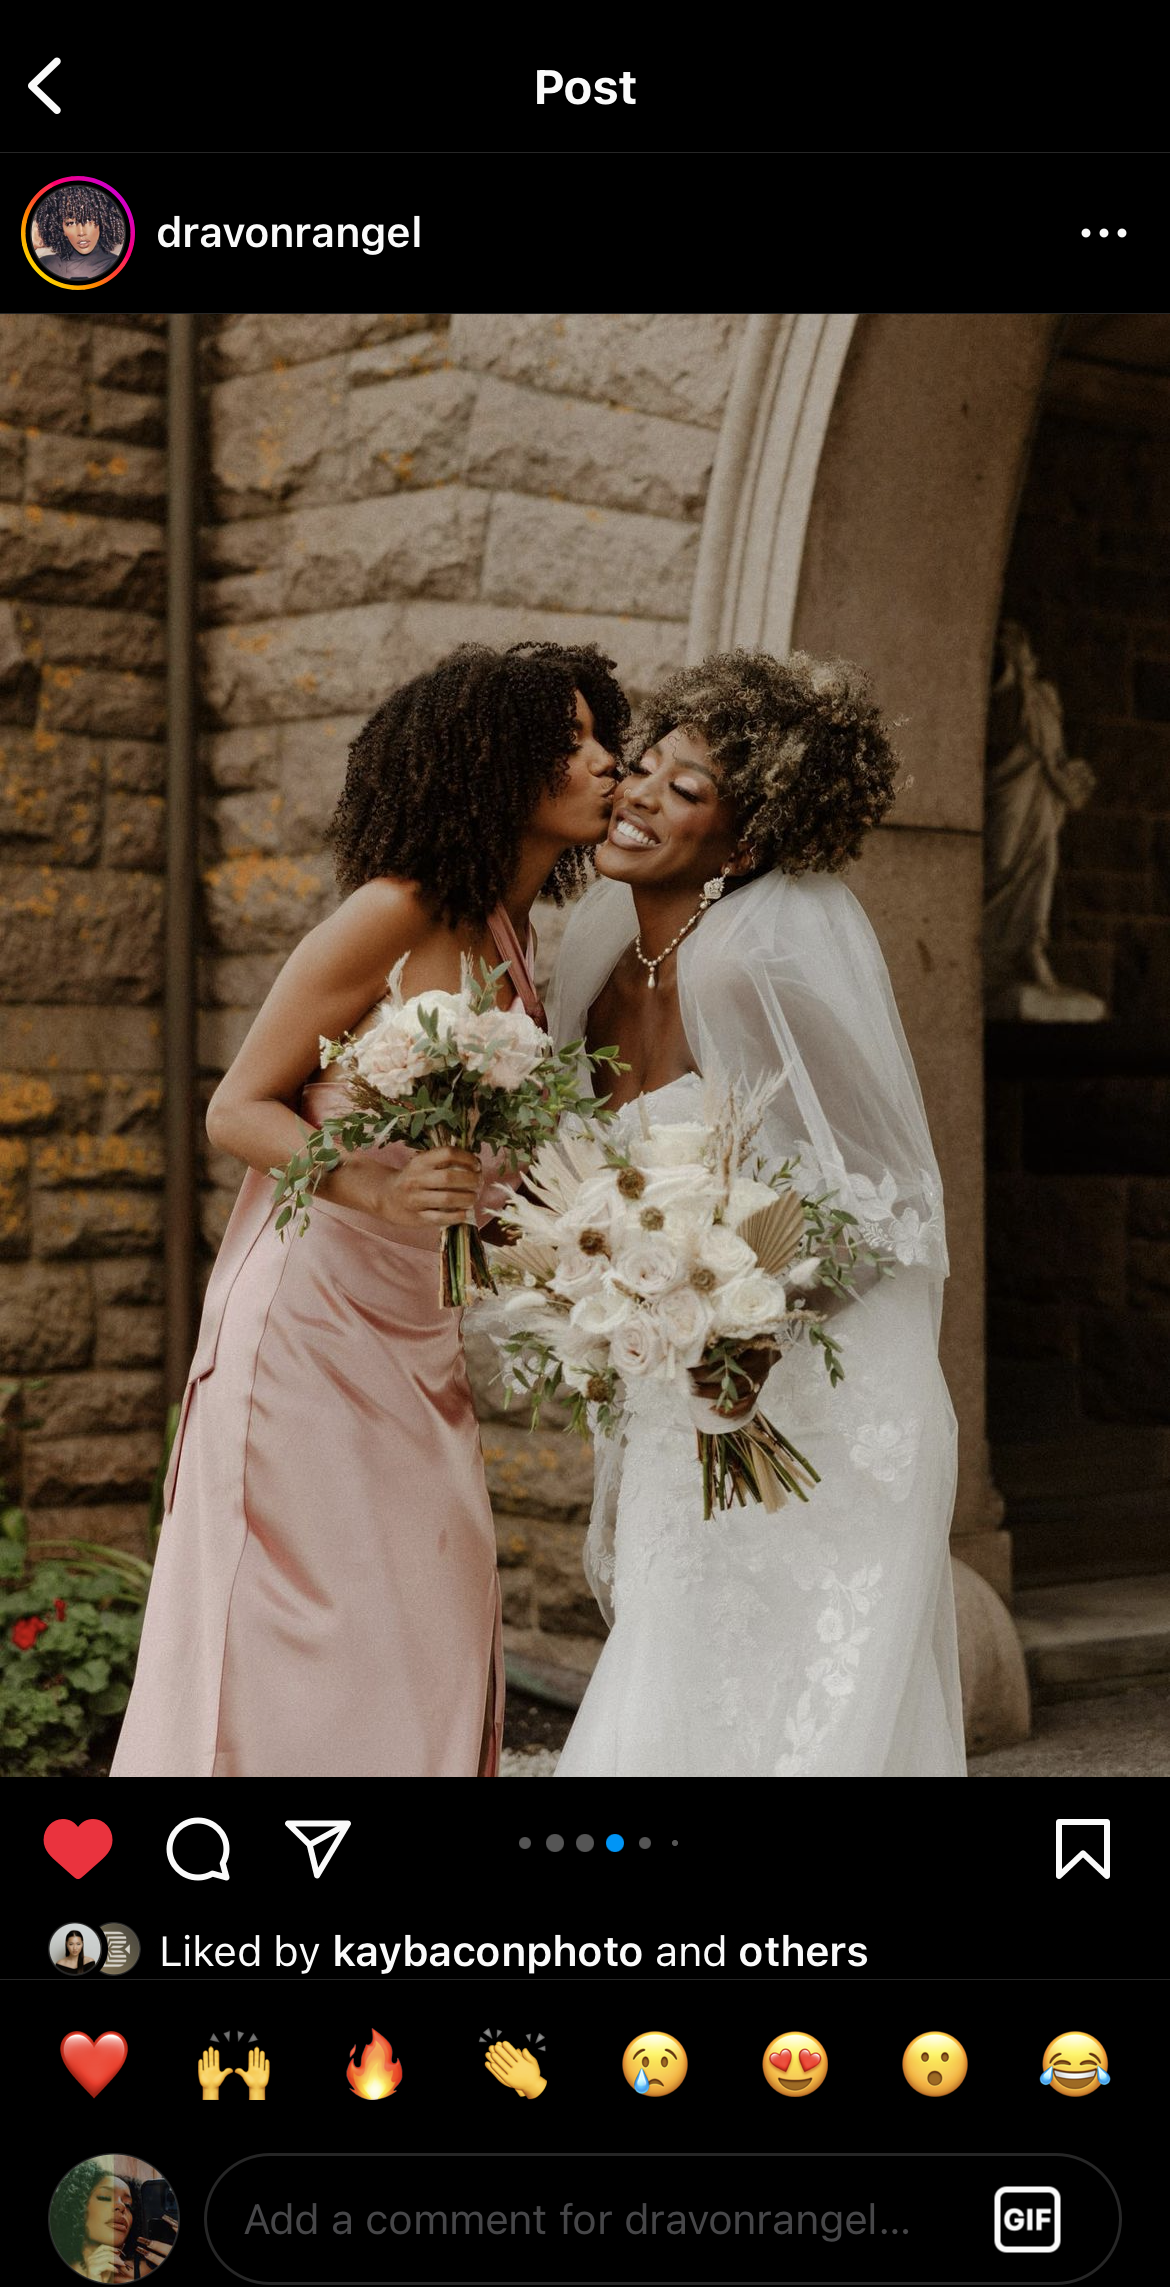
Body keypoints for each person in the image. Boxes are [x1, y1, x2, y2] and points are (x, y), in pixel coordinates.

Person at [111, 641, 626, 1779]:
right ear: (489, 767)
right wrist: (375, 1181)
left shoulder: (513, 935)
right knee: (311, 1625)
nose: (605, 762)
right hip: (309, 1322)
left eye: (602, 736)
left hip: (413, 1327)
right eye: (572, 742)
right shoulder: (391, 912)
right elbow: (237, 1109)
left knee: (432, 1602)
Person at [547, 647, 964, 1778]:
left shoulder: (756, 964)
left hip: (822, 1412)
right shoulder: (591, 951)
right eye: (643, 769)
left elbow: (888, 1201)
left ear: (750, 845)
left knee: (798, 1723)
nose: (636, 795)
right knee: (672, 1678)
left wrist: (738, 1309)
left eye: (685, 791)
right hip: (678, 1402)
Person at [48, 2162, 175, 2282]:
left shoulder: (148, 2270)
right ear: (76, 2207)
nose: (121, 2206)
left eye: (129, 2205)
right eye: (105, 2197)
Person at [32, 184, 126, 281]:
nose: (81, 232)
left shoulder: (118, 265)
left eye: (88, 220)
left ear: (102, 221)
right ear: (61, 228)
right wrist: (32, 245)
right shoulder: (46, 264)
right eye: (70, 223)